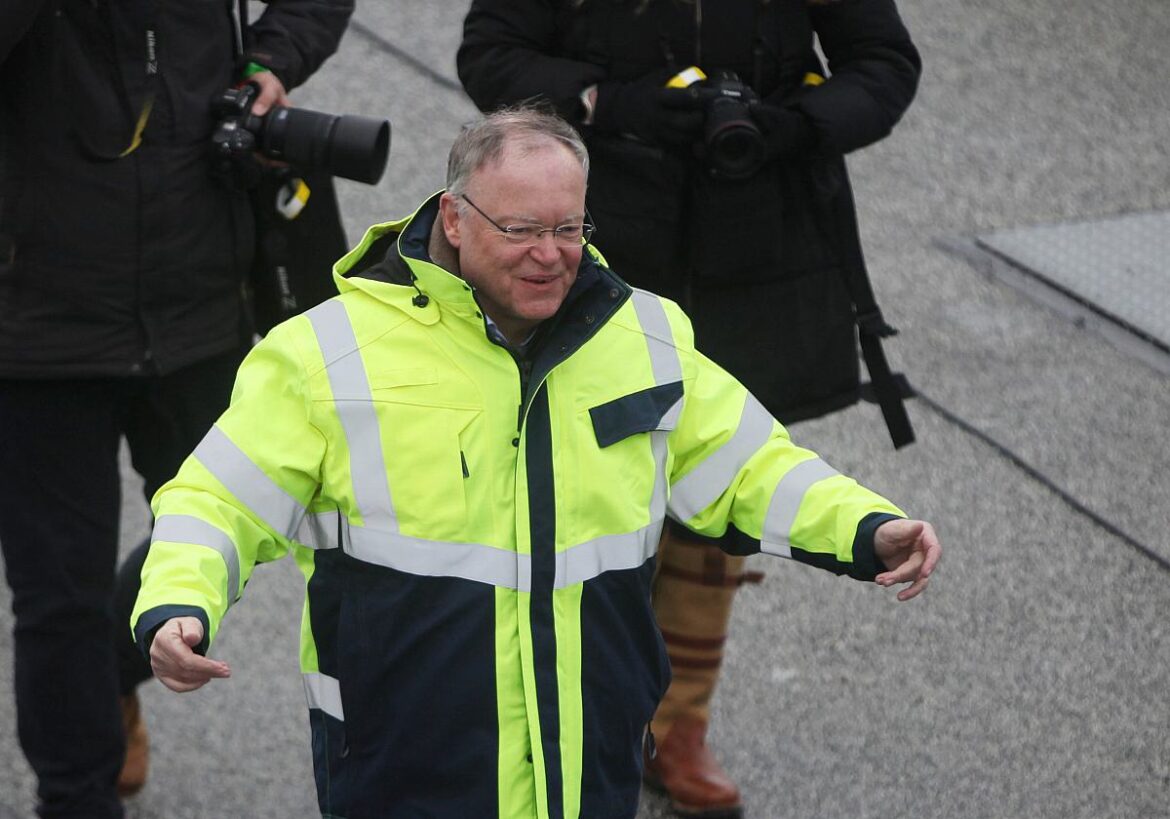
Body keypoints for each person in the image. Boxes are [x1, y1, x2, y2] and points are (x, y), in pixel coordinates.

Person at [131, 107, 940, 819]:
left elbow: (751, 463)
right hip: (402, 764)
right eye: (521, 230)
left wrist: (869, 527)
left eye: (568, 228)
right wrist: (175, 604)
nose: (550, 254)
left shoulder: (646, 336)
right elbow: (216, 500)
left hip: (590, 755)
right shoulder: (324, 356)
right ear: (454, 218)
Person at [456, 2, 922, 814]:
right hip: (600, 249)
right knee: (580, 502)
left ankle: (678, 729)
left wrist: (795, 127)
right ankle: (561, 716)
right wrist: (604, 103)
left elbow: (883, 64)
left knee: (720, 498)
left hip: (760, 241)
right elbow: (492, 55)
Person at [0, 1, 352, 816]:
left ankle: (105, 672)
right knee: (59, 596)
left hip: (200, 292)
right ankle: (77, 798)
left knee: (225, 527)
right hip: (38, 324)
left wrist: (274, 58)